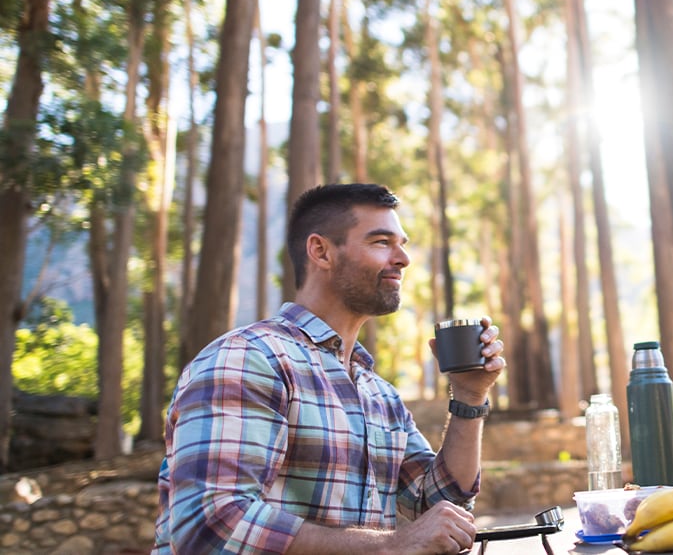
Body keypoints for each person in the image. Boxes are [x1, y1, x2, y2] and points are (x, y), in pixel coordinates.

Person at [155, 183, 506, 554]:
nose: (403, 258)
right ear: (321, 251)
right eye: (381, 242)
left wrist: (469, 396)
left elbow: (438, 504)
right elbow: (210, 527)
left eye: (402, 242)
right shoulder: (249, 359)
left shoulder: (378, 393)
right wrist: (390, 545)